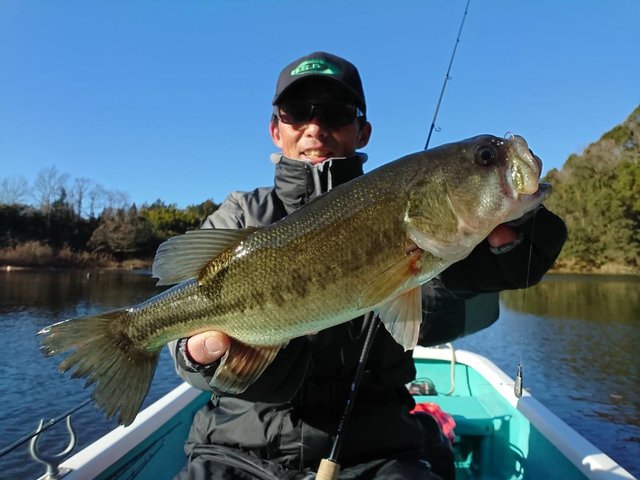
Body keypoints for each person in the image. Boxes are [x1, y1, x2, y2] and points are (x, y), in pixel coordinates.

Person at [171, 51, 567, 480]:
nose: (315, 127)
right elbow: (187, 323)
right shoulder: (239, 216)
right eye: (298, 111)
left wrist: (491, 266)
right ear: (275, 128)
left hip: (380, 451)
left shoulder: (411, 220)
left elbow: (435, 315)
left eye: (337, 112)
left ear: (363, 131)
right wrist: (202, 362)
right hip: (236, 449)